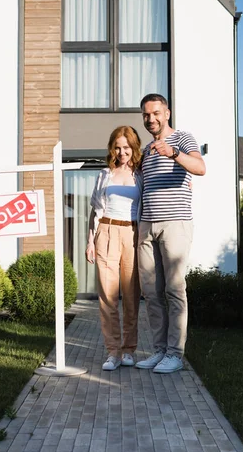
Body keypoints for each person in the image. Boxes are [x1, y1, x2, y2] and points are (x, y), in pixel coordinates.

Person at [135, 93, 206, 374]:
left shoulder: (183, 139)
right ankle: (159, 350)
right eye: (146, 115)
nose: (150, 119)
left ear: (167, 113)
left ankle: (175, 354)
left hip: (175, 224)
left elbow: (200, 168)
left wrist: (174, 154)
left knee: (174, 290)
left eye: (155, 113)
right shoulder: (145, 151)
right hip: (146, 225)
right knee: (151, 293)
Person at [86, 126, 143, 371]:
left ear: (133, 147)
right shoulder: (105, 174)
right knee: (107, 297)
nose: (122, 152)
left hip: (132, 233)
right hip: (106, 232)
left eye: (126, 147)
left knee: (131, 296)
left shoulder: (141, 174)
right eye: (118, 147)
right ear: (113, 148)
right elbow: (95, 209)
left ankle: (129, 350)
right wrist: (90, 241)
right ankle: (113, 352)